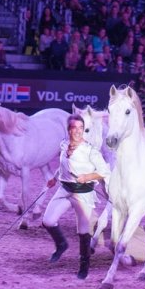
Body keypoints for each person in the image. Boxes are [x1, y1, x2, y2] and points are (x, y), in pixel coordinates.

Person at [43, 114, 110, 280]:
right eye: (75, 128)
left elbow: (104, 171)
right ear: (69, 130)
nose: (79, 131)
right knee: (48, 221)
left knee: (83, 231)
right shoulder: (64, 145)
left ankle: (84, 266)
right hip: (64, 189)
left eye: (81, 128)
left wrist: (87, 177)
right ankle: (61, 244)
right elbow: (64, 165)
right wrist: (54, 177)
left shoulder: (90, 151)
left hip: (83, 194)